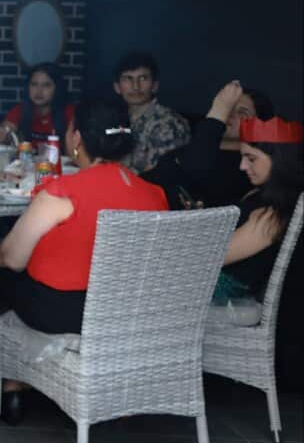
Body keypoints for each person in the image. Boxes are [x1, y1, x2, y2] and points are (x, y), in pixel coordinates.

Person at [0, 97, 168, 423]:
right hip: (128, 313)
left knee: (4, 279)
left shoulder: (62, 190)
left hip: (64, 311)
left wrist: (1, 254)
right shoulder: (155, 194)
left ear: (77, 138)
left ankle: (14, 383)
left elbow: (13, 259)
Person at [213, 116, 303, 303]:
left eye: (251, 158)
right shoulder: (258, 194)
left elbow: (214, 257)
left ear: (279, 160)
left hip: (230, 296)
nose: (242, 166)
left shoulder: (273, 214)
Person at [145, 81, 276, 209]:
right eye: (229, 107)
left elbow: (193, 170)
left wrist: (219, 112)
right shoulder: (194, 146)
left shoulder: (245, 169)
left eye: (242, 112)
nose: (229, 114)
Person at [112, 52, 190, 175]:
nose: (136, 86)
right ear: (117, 87)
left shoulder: (168, 123)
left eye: (143, 78)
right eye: (128, 78)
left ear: (154, 86)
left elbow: (163, 176)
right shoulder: (118, 120)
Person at [0, 63, 73, 145]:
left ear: (57, 89)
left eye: (46, 85)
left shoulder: (68, 112)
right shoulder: (20, 110)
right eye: (34, 84)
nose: (39, 91)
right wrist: (3, 136)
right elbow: (7, 131)